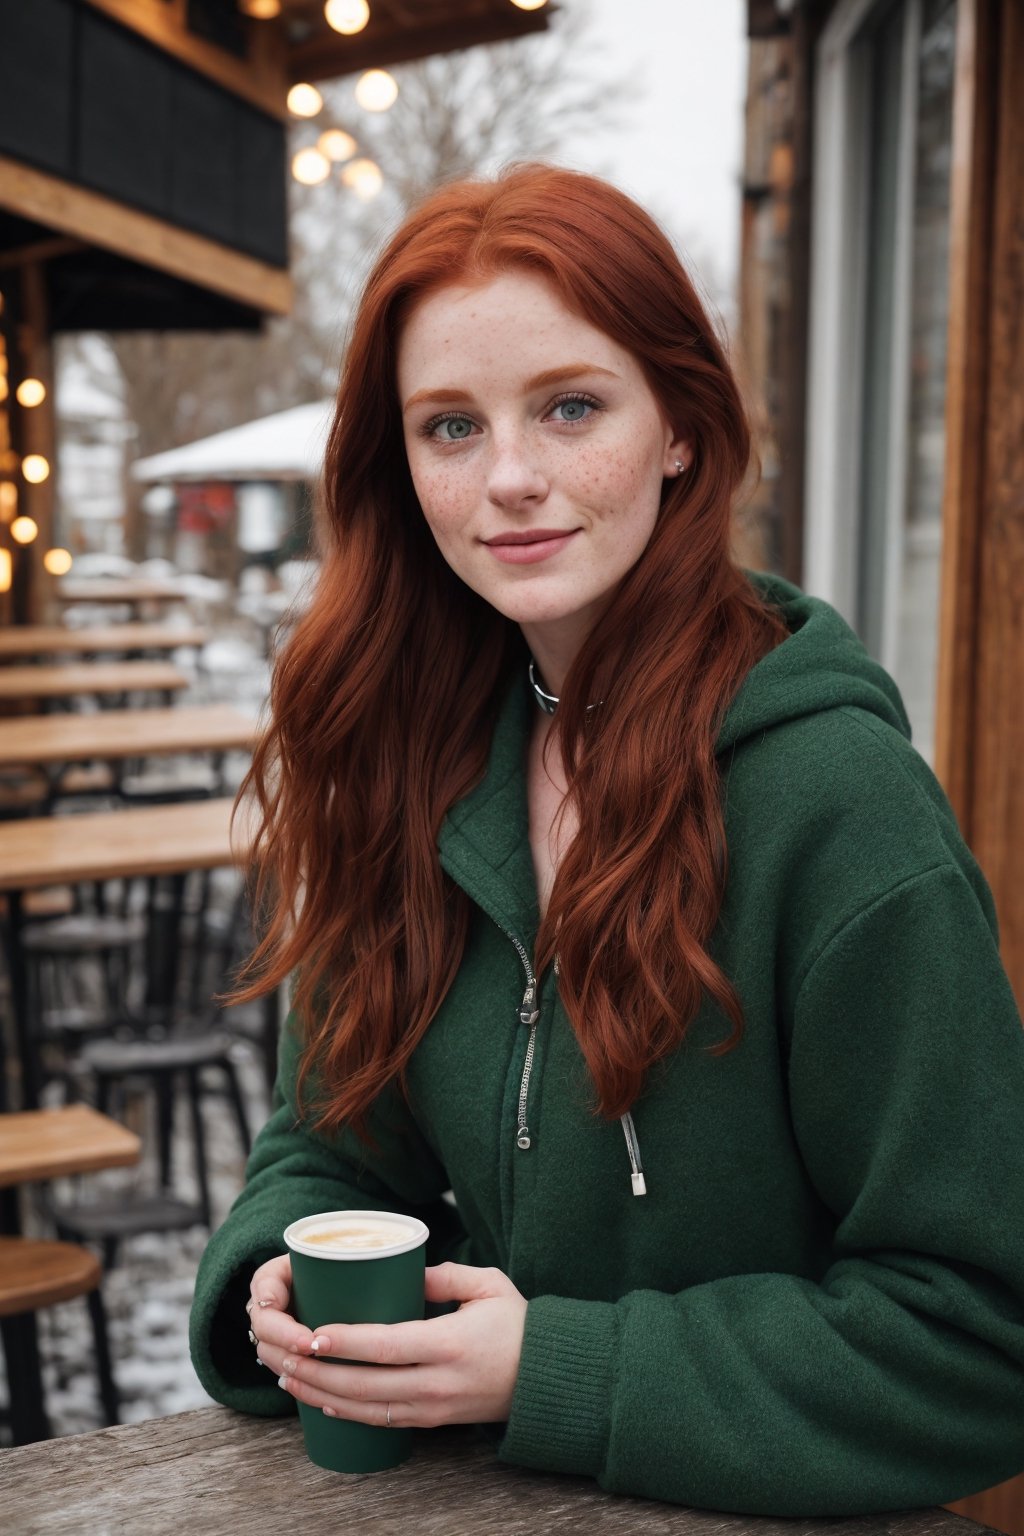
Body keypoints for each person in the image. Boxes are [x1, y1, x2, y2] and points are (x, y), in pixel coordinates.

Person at [189, 164, 1024, 1516]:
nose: (511, 478)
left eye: (571, 408)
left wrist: (556, 1367)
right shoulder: (414, 758)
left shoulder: (843, 813)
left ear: (683, 426)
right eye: (449, 427)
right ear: (398, 468)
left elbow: (987, 1338)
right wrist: (277, 1271)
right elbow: (335, 1147)